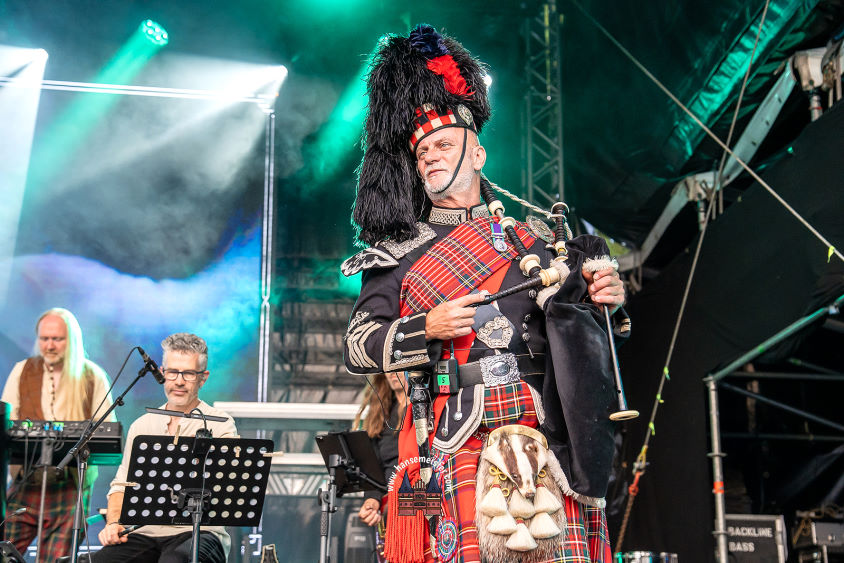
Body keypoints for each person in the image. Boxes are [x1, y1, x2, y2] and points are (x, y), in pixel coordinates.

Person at [341, 25, 628, 563]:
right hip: (454, 434)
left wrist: (608, 301)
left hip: (547, 433)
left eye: (444, 145)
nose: (430, 157)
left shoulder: (536, 241)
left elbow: (589, 335)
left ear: (478, 154)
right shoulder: (397, 252)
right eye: (422, 151)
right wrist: (425, 327)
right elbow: (358, 346)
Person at [91, 333, 236, 563]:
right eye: (172, 372)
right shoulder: (142, 426)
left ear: (203, 378)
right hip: (144, 533)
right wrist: (114, 522)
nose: (179, 381)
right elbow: (121, 485)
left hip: (199, 532)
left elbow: (228, 486)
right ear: (162, 373)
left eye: (188, 373)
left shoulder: (221, 424)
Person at [1, 308, 114, 562]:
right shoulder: (22, 371)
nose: (49, 345)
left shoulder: (93, 377)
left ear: (71, 340)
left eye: (57, 339)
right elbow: (5, 426)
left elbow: (106, 433)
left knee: (55, 560)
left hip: (70, 487)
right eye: (44, 339)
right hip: (26, 481)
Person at [354, 372, 409, 528]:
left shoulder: (427, 408)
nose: (392, 373)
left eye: (397, 366)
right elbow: (374, 466)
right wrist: (372, 499)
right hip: (389, 504)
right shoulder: (382, 412)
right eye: (387, 368)